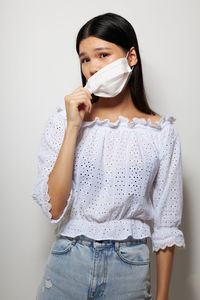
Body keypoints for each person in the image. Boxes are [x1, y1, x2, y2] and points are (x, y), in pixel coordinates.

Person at [32, 12, 186, 300]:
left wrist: (163, 297)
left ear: (131, 57)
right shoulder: (62, 123)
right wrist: (73, 128)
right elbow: (54, 208)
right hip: (68, 260)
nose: (92, 67)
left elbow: (167, 225)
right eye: (85, 59)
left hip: (129, 267)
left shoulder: (162, 133)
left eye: (102, 54)